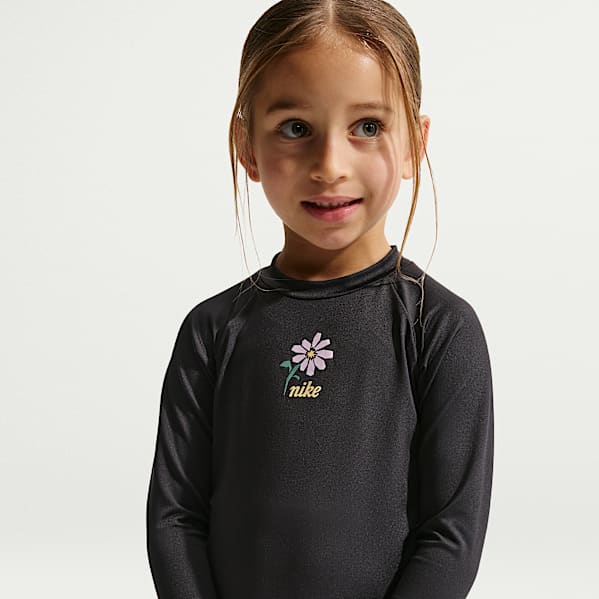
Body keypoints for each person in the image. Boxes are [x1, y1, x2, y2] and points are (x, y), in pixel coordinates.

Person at [145, 1, 494, 598]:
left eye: (368, 127)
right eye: (295, 128)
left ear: (415, 143)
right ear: (246, 144)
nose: (330, 166)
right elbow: (175, 517)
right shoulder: (212, 330)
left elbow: (451, 536)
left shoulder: (439, 328)